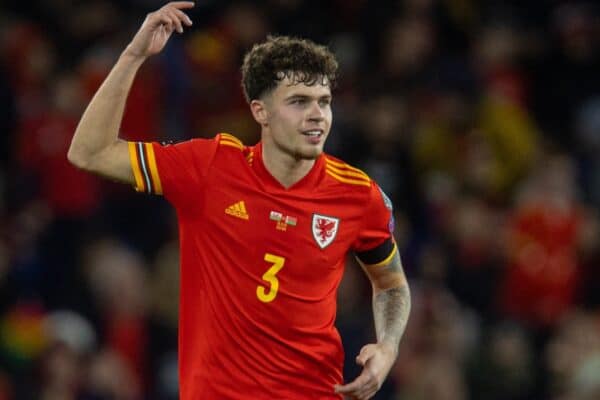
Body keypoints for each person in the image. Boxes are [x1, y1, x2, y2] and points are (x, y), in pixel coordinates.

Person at [68, 2, 411, 399]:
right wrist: (133, 56)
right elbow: (89, 152)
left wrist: (388, 347)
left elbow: (391, 284)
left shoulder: (358, 194)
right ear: (259, 111)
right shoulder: (209, 168)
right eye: (299, 101)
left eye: (324, 101)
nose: (317, 115)